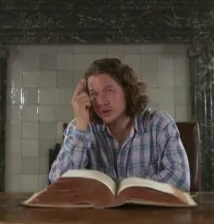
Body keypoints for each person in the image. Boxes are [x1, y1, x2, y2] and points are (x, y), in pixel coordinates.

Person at [48, 57, 191, 192]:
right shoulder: (81, 127)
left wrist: (126, 190)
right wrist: (80, 127)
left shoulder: (159, 124)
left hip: (149, 216)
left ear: (127, 92)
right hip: (98, 217)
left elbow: (181, 180)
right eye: (94, 94)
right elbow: (58, 184)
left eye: (108, 91)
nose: (101, 101)